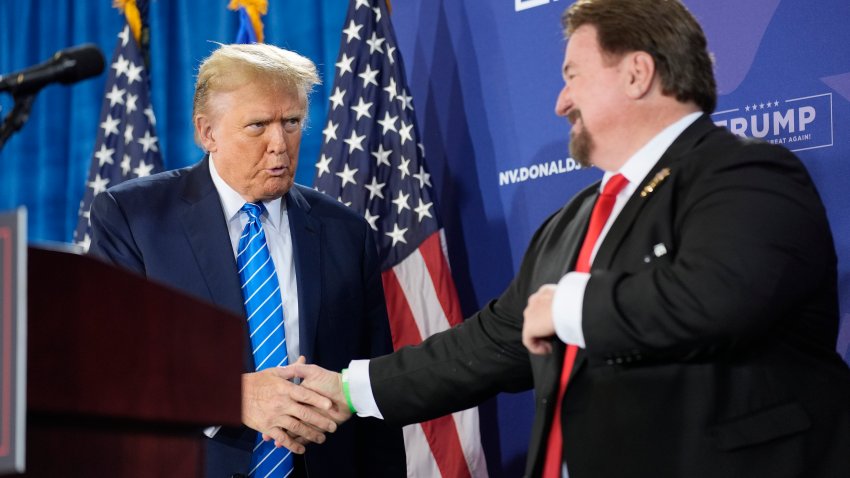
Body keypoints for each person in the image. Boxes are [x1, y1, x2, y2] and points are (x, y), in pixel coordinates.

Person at [287, 1, 850, 477]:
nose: (560, 101)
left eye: (573, 75)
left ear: (637, 73)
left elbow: (719, 297)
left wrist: (571, 305)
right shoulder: (575, 219)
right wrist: (348, 389)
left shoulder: (747, 173)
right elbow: (490, 345)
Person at [88, 43, 406, 478]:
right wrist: (231, 398)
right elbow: (105, 367)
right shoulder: (135, 218)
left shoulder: (345, 233)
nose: (279, 145)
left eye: (291, 122)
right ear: (207, 132)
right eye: (258, 125)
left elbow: (372, 395)